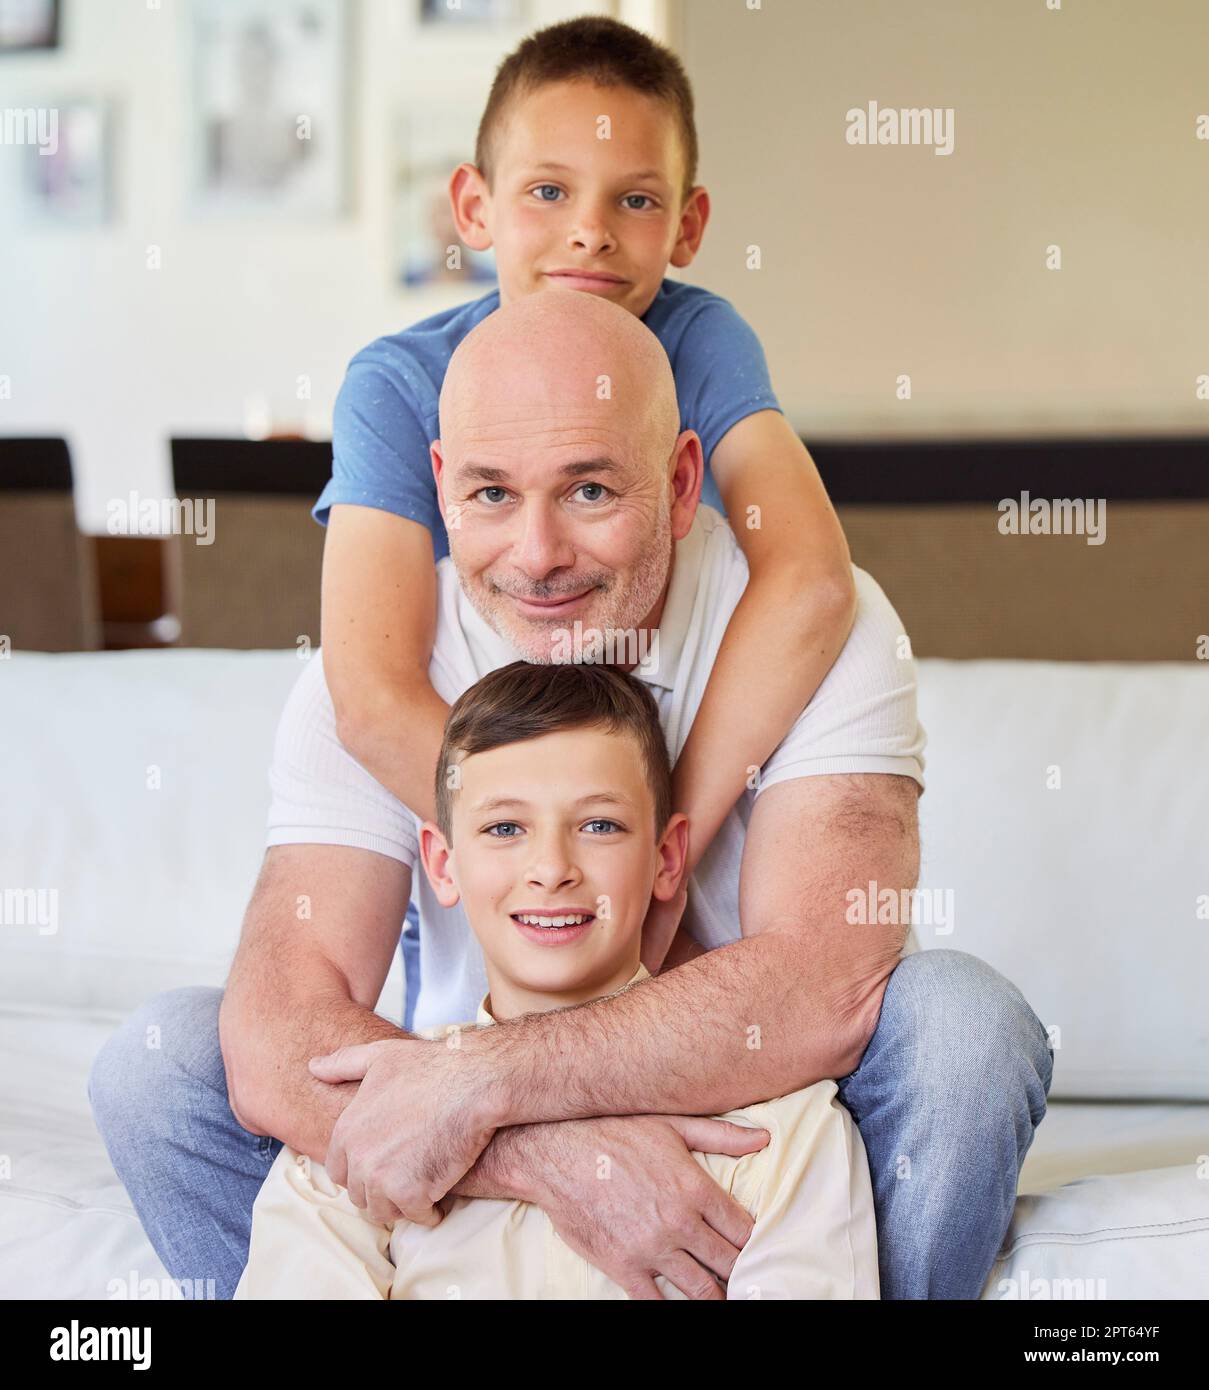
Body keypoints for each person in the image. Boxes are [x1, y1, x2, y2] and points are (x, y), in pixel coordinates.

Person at [234, 662, 880, 1300]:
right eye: (504, 828)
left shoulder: (782, 1131)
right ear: (443, 863)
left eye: (599, 826)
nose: (550, 868)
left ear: (665, 858)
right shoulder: (373, 1122)